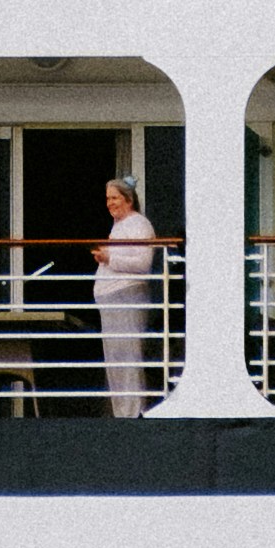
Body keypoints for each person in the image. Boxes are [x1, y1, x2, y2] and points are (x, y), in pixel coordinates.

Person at [95, 173, 165, 420]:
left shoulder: (139, 224)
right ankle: (121, 412)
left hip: (127, 296)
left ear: (128, 199)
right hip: (111, 299)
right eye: (107, 199)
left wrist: (110, 258)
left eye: (114, 198)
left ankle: (133, 412)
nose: (110, 203)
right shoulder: (119, 226)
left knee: (128, 354)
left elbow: (143, 263)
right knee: (115, 357)